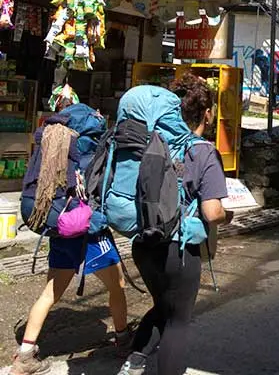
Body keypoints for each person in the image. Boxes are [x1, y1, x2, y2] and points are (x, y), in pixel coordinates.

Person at [117, 74, 229, 375]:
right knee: (178, 322)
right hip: (177, 251)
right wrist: (227, 215)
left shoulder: (152, 142)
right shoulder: (203, 151)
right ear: (207, 113)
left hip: (143, 243)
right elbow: (212, 211)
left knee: (164, 307)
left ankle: (134, 361)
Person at [11, 105, 130, 375]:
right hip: (87, 231)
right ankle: (123, 340)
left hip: (60, 225)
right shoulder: (87, 149)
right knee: (118, 284)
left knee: (51, 291)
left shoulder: (54, 142)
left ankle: (25, 355)